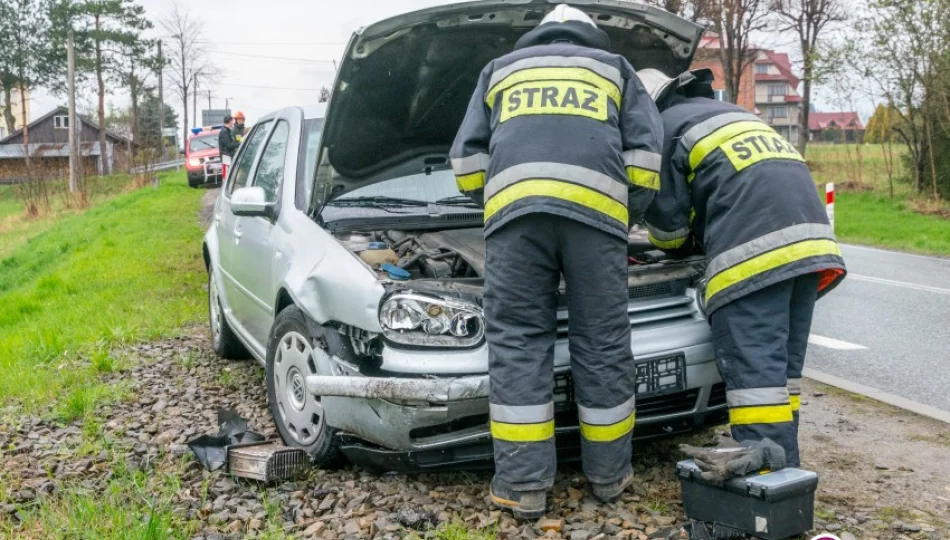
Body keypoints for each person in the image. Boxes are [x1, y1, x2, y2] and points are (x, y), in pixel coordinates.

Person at [450, 4, 664, 518]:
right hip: (597, 224)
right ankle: (610, 478)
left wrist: (501, 201)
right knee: (603, 341)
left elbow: (465, 163)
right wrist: (623, 213)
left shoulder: (500, 70)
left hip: (516, 223)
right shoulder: (614, 69)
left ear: (539, 34)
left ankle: (522, 485)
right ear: (592, 35)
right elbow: (647, 159)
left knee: (520, 340)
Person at [636, 68, 847, 477]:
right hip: (811, 245)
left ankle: (764, 483)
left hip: (755, 254)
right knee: (782, 376)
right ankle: (788, 473)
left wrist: (670, 246)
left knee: (756, 380)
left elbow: (669, 230)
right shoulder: (728, 113)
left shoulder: (663, 131)